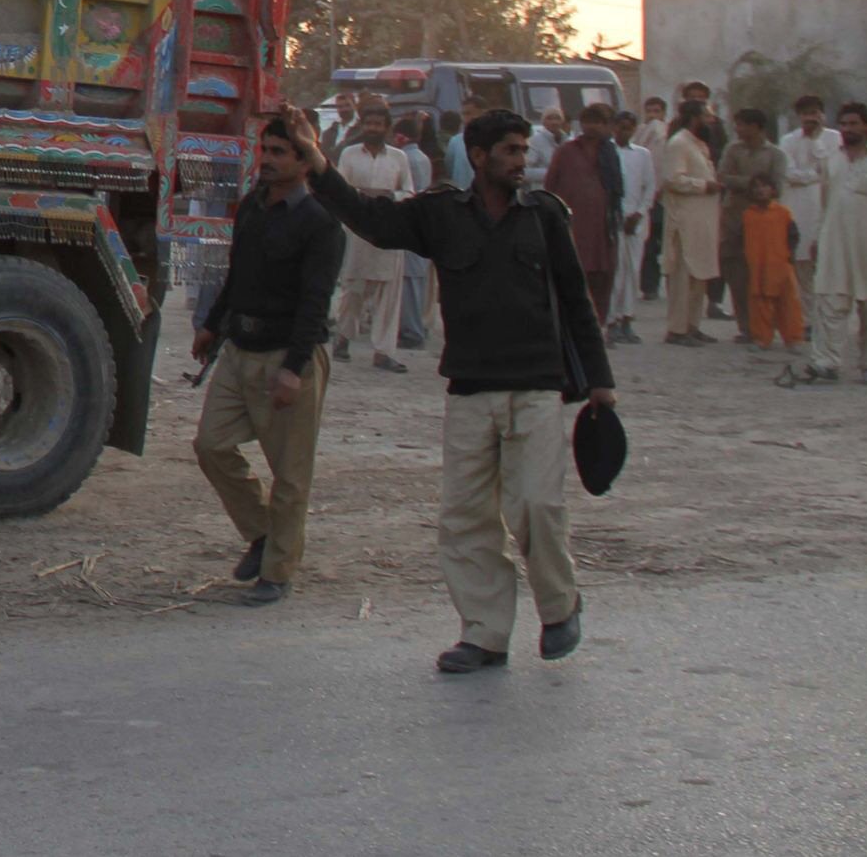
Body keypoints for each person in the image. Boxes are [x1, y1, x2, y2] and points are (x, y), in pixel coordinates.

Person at [294, 109, 618, 675]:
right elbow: (372, 219)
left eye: (523, 150)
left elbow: (575, 300)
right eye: (511, 151)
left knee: (535, 507)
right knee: (466, 517)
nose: (522, 161)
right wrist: (317, 161)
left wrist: (600, 385)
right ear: (478, 155)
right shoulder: (442, 215)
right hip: (470, 390)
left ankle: (560, 606)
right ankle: (485, 633)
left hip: (538, 388)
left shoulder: (543, 217)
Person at [192, 113, 344, 606]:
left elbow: (314, 303)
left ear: (305, 163)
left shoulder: (320, 224)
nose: (269, 160)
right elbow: (237, 274)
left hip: (287, 355)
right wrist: (213, 325)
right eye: (267, 150)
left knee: (291, 474)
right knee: (211, 445)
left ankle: (277, 572)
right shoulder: (253, 208)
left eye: (281, 152)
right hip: (240, 349)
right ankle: (261, 533)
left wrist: (294, 369)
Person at [802, 102, 867, 386]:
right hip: (835, 243)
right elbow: (826, 203)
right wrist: (818, 237)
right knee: (830, 302)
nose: (848, 130)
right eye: (844, 124)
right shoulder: (832, 159)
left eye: (854, 124)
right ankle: (826, 362)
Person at [331, 100, 417, 372]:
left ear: (387, 129)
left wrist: (389, 195)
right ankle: (343, 338)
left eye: (378, 124)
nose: (373, 128)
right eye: (368, 123)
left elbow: (410, 192)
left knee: (388, 295)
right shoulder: (349, 155)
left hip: (389, 230)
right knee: (353, 289)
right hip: (357, 229)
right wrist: (362, 194)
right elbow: (341, 189)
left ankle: (383, 352)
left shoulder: (398, 158)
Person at [546, 104, 625, 339]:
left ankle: (596, 328)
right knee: (573, 275)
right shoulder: (566, 151)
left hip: (603, 228)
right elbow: (551, 186)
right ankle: (569, 330)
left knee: (602, 277)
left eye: (600, 122)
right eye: (590, 121)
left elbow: (617, 191)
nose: (594, 126)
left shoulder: (610, 153)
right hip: (573, 227)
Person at [717, 109, 790, 347]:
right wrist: (754, 184)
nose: (738, 130)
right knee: (737, 276)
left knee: (764, 276)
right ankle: (746, 327)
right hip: (734, 221)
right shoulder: (733, 150)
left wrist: (747, 184)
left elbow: (777, 186)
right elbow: (722, 177)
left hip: (764, 224)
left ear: (757, 127)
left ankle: (765, 327)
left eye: (742, 125)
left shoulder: (775, 154)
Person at [658, 100, 723, 344]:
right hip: (683, 222)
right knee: (683, 277)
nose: (711, 122)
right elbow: (673, 180)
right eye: (707, 117)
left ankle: (692, 326)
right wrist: (704, 185)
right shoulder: (678, 144)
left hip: (702, 222)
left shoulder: (699, 145)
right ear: (694, 118)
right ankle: (677, 330)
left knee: (700, 275)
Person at [738, 176, 808, 364]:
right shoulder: (748, 215)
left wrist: (788, 256)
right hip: (757, 266)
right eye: (756, 187)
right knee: (759, 303)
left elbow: (793, 236)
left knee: (789, 305)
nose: (761, 191)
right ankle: (761, 338)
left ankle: (794, 339)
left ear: (772, 189)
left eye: (764, 186)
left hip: (780, 264)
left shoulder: (783, 213)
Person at [608, 111, 658, 346]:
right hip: (613, 220)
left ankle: (627, 318)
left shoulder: (642, 155)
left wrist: (639, 213)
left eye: (629, 127)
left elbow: (650, 187)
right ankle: (612, 320)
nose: (624, 131)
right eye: (620, 127)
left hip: (636, 221)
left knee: (632, 272)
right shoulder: (606, 152)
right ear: (614, 127)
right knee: (615, 272)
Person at [779, 95, 841, 280]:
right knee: (800, 263)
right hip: (797, 206)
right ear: (799, 116)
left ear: (822, 115)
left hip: (826, 206)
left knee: (825, 263)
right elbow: (789, 174)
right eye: (805, 114)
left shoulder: (834, 138)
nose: (809, 118)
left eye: (814, 113)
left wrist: (815, 139)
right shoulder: (789, 140)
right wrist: (815, 175)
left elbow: (832, 169)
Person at [394, 113, 439, 350]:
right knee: (417, 280)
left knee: (409, 279)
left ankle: (412, 331)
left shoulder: (404, 159)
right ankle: (417, 326)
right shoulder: (423, 157)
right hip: (423, 223)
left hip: (411, 223)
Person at [635, 97, 670, 301]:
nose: (653, 116)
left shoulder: (667, 134)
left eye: (657, 111)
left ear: (664, 113)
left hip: (664, 197)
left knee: (665, 241)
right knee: (647, 243)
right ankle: (649, 286)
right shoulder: (640, 133)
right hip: (644, 196)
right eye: (649, 111)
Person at [525, 108, 565, 190]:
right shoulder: (534, 141)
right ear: (543, 122)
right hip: (543, 193)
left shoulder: (568, 141)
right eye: (549, 118)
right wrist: (552, 173)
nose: (554, 122)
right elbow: (526, 171)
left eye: (557, 118)